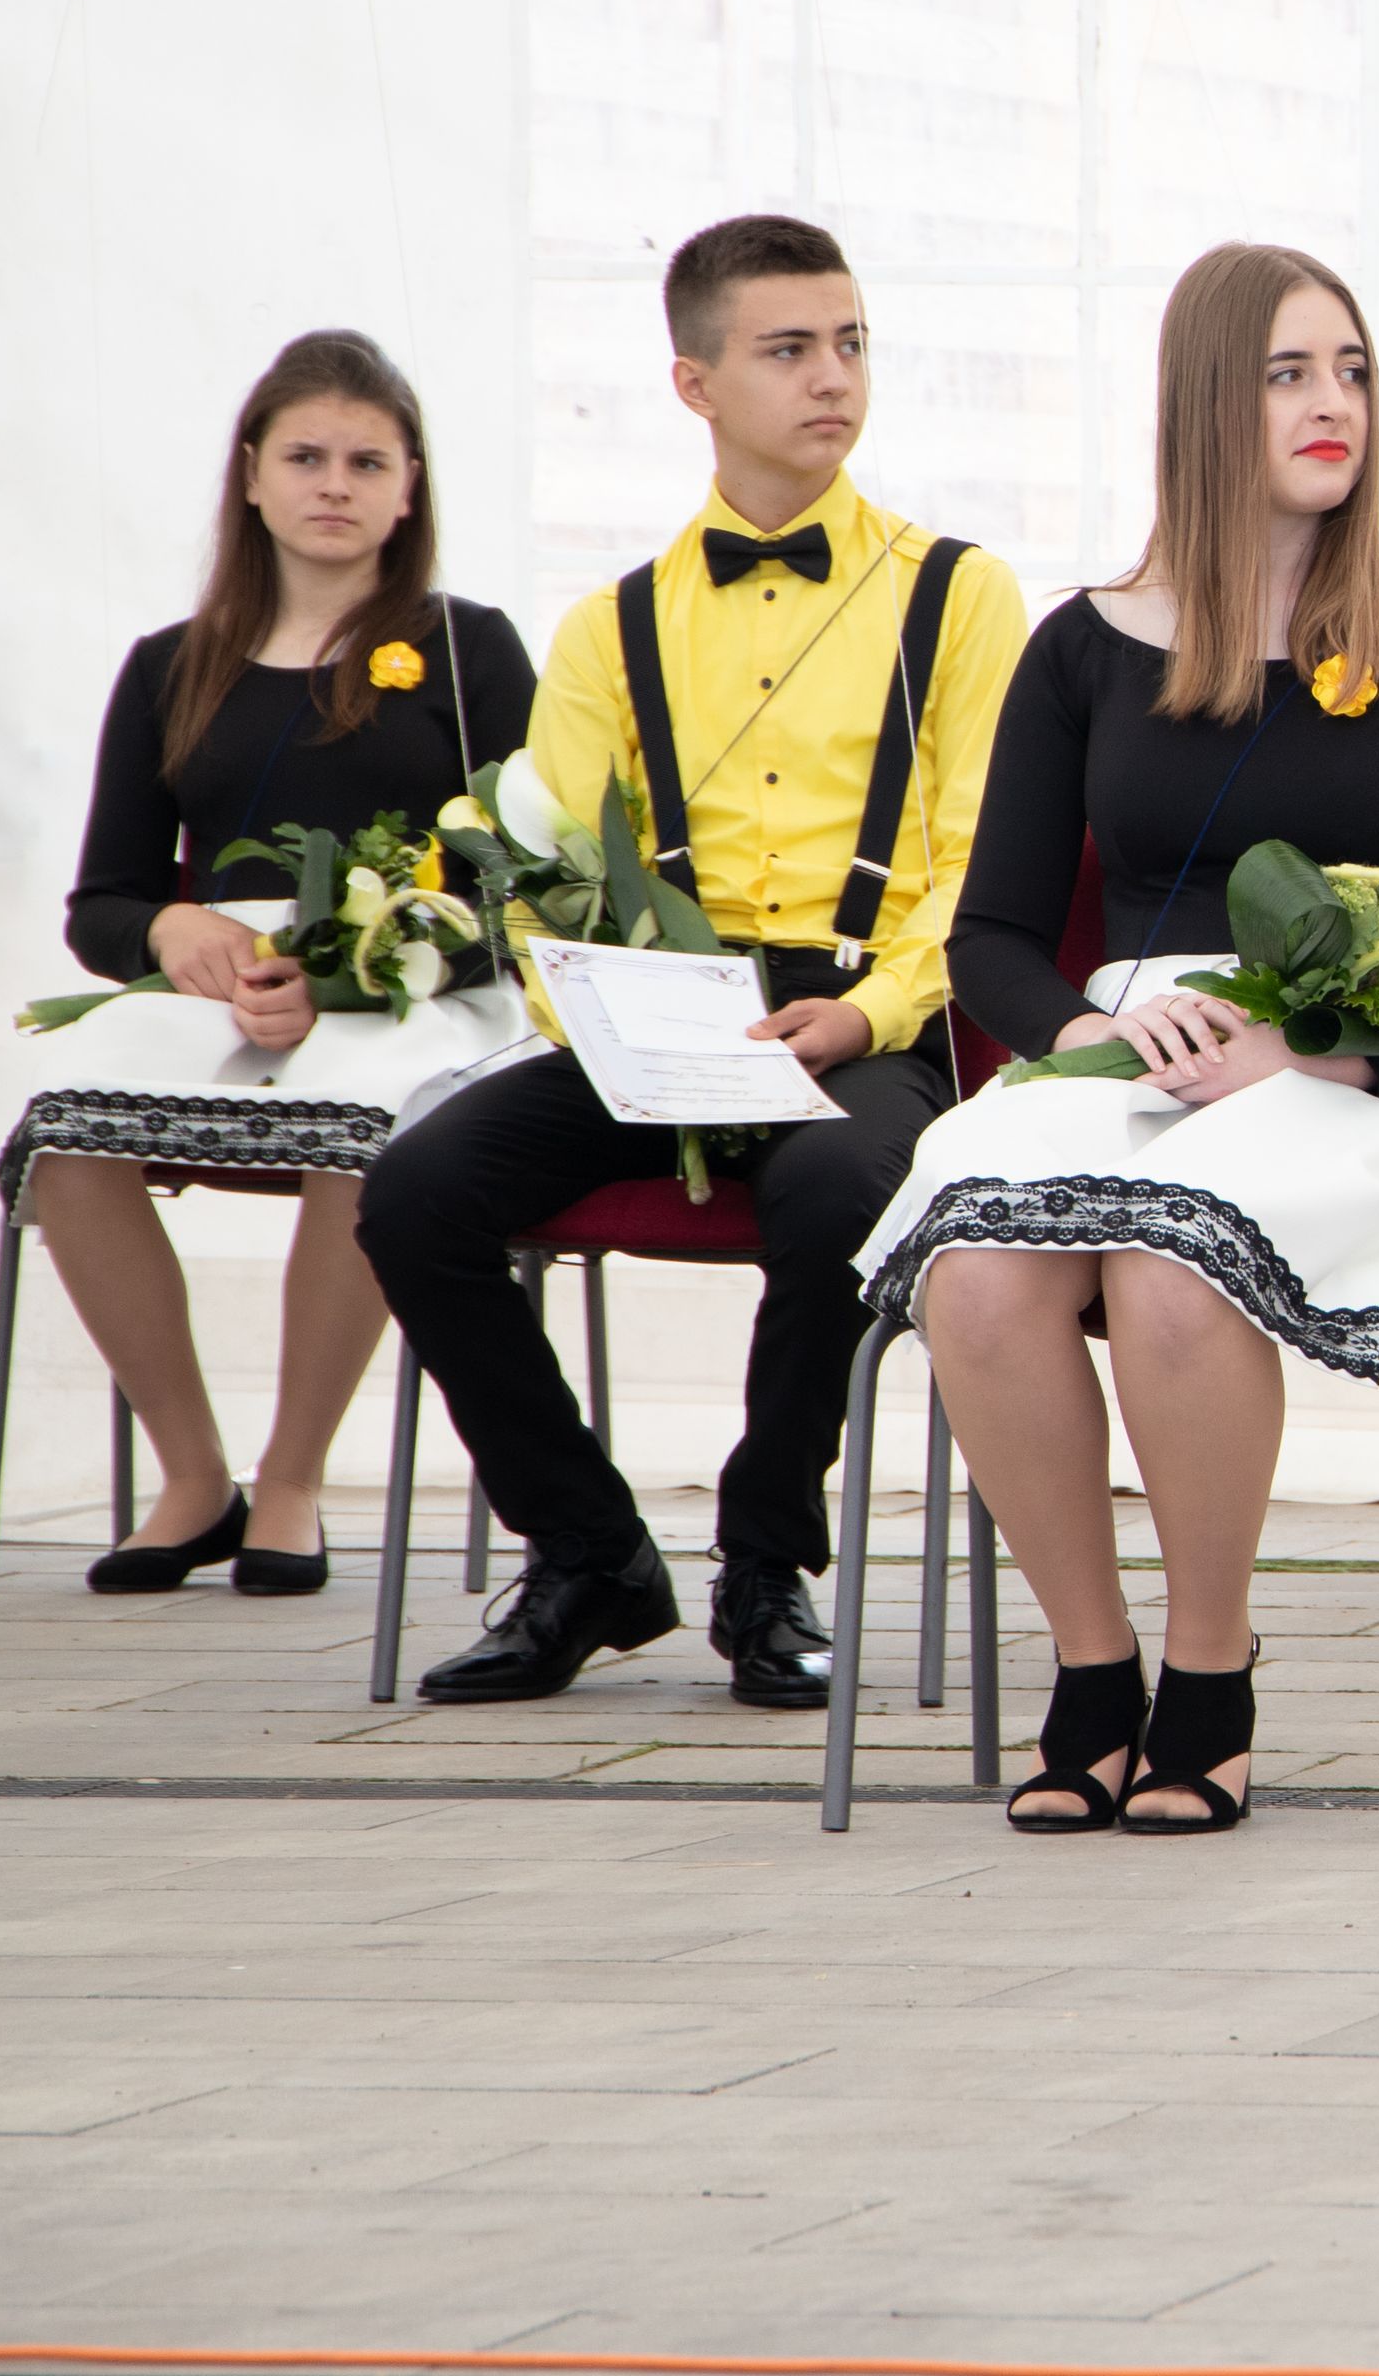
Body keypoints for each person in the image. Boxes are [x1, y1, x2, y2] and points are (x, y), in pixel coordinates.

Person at [851, 243, 1379, 1831]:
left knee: (1168, 1261)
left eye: (1350, 370)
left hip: (1354, 1066)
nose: (1331, 402)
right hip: (1132, 1044)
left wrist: (1309, 1057)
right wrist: (1104, 1019)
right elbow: (990, 941)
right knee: (979, 1267)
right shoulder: (1084, 642)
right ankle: (1094, 1669)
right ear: (1208, 401)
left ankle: (1210, 1673)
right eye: (1288, 374)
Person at [357, 215, 1024, 1705]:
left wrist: (868, 1012)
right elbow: (537, 879)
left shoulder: (958, 592)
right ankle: (589, 1551)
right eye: (788, 349)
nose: (832, 377)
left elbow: (985, 869)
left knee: (836, 1190)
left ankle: (767, 1558)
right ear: (694, 382)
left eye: (850, 344)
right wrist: (614, 1021)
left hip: (860, 1016)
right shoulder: (611, 625)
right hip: (664, 1023)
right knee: (414, 1193)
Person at [6, 336, 535, 1596]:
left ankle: (293, 1477)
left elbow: (521, 886)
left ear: (409, 489)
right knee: (67, 1138)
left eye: (367, 462)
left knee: (363, 1138)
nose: (333, 484)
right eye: (304, 457)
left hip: (412, 991)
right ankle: (194, 1477)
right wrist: (172, 932)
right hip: (221, 991)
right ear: (251, 476)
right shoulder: (169, 665)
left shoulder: (469, 652)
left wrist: (373, 961)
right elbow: (104, 902)